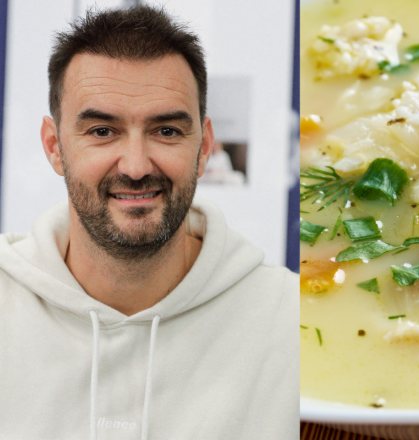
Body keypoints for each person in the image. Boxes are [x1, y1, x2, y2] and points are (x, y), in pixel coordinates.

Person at [0, 6, 298, 440]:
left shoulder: (293, 320)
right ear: (54, 146)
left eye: (167, 131)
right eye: (102, 131)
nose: (136, 166)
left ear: (205, 147)